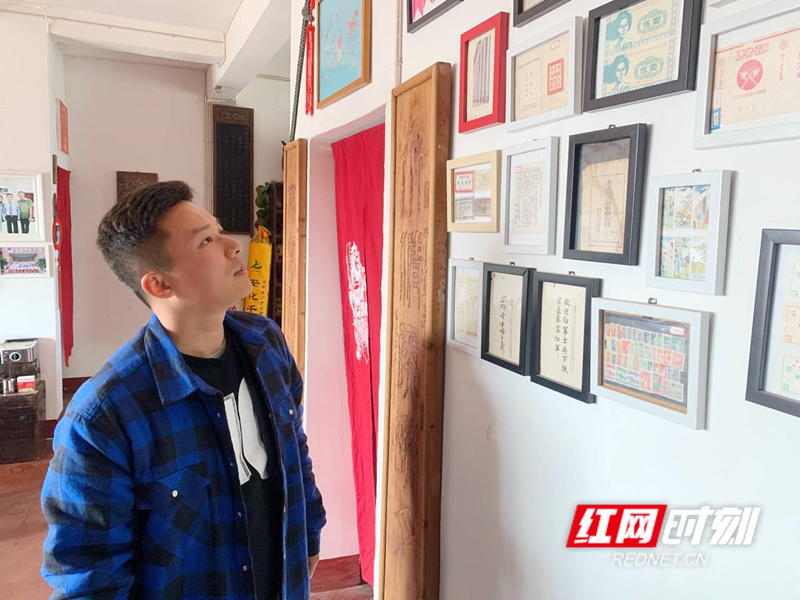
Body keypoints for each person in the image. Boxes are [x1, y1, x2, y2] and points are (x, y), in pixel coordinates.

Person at [41, 181, 325, 600]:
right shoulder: (105, 414)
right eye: (206, 240)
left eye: (220, 230)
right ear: (159, 285)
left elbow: (294, 446)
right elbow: (88, 574)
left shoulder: (266, 342)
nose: (234, 246)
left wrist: (310, 535)